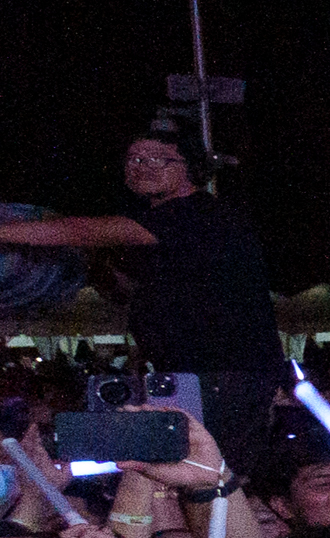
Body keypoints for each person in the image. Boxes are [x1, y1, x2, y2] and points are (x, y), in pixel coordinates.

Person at [0, 134, 295, 473]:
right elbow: (126, 290)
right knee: (181, 470)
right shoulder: (161, 232)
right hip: (191, 375)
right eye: (134, 159)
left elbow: (83, 230)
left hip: (224, 375)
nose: (142, 166)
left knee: (206, 471)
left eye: (158, 158)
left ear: (191, 168)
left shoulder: (196, 213)